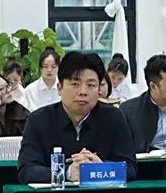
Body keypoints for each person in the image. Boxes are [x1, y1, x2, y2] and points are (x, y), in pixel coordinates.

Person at [17, 51, 137, 183]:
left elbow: (130, 168)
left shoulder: (114, 117)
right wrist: (67, 173)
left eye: (91, 85)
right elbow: (26, 171)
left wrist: (102, 168)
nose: (83, 92)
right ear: (59, 88)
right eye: (75, 84)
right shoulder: (38, 120)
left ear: (99, 90)